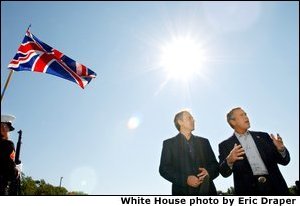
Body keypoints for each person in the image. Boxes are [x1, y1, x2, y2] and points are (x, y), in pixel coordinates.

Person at [218, 107, 290, 195]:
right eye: (242, 115)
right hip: (248, 191)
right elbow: (223, 173)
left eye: (246, 114)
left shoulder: (264, 137)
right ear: (233, 122)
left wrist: (281, 150)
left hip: (276, 188)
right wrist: (229, 160)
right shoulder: (225, 145)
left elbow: (284, 161)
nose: (246, 117)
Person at [159, 110, 219, 195]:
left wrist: (208, 172)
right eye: (189, 118)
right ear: (180, 122)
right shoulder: (169, 144)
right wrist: (185, 179)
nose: (193, 120)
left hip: (207, 192)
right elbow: (164, 169)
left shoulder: (204, 142)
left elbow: (215, 166)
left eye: (193, 118)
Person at [0, 114, 20, 195]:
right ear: (3, 127)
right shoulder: (8, 144)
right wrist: (17, 172)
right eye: (8, 128)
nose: (8, 131)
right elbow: (10, 170)